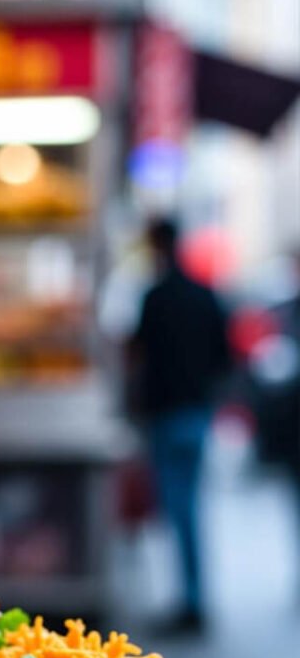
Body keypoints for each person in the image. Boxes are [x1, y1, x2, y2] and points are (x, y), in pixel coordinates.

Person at [131, 218, 231, 633]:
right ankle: (193, 596)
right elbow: (224, 358)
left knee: (177, 509)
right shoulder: (205, 296)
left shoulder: (154, 298)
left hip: (165, 416)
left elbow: (136, 356)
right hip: (196, 413)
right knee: (189, 509)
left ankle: (189, 601)